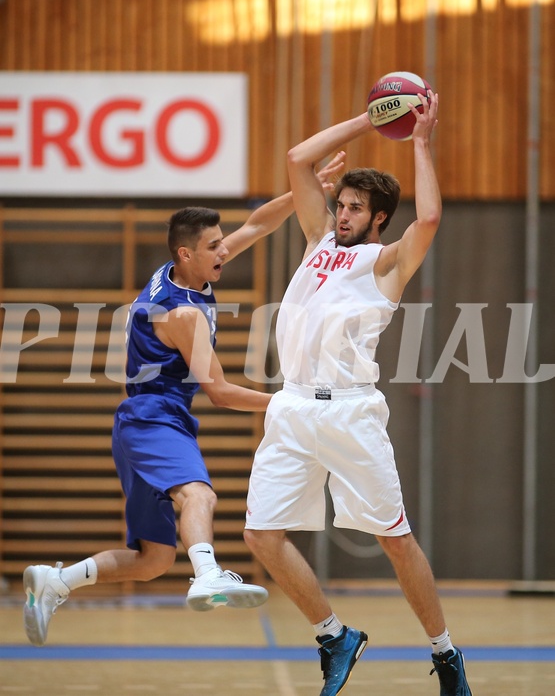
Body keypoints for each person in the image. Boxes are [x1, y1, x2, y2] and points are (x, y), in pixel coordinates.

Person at [22, 156, 344, 648]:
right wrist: (292, 402)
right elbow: (219, 392)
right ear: (187, 253)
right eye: (215, 246)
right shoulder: (184, 315)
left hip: (139, 422)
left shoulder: (181, 272)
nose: (224, 250)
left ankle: (56, 581)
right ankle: (209, 574)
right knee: (201, 496)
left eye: (221, 242)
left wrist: (307, 193)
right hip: (155, 419)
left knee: (154, 560)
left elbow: (258, 224)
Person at [244, 92, 473, 696]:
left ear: (376, 219)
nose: (340, 213)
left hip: (350, 411)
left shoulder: (385, 263)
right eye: (339, 203)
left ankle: (446, 655)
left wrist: (418, 140)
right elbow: (298, 159)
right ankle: (334, 636)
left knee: (395, 542)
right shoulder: (319, 240)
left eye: (353, 208)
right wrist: (370, 120)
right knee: (260, 536)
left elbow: (428, 220)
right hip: (291, 406)